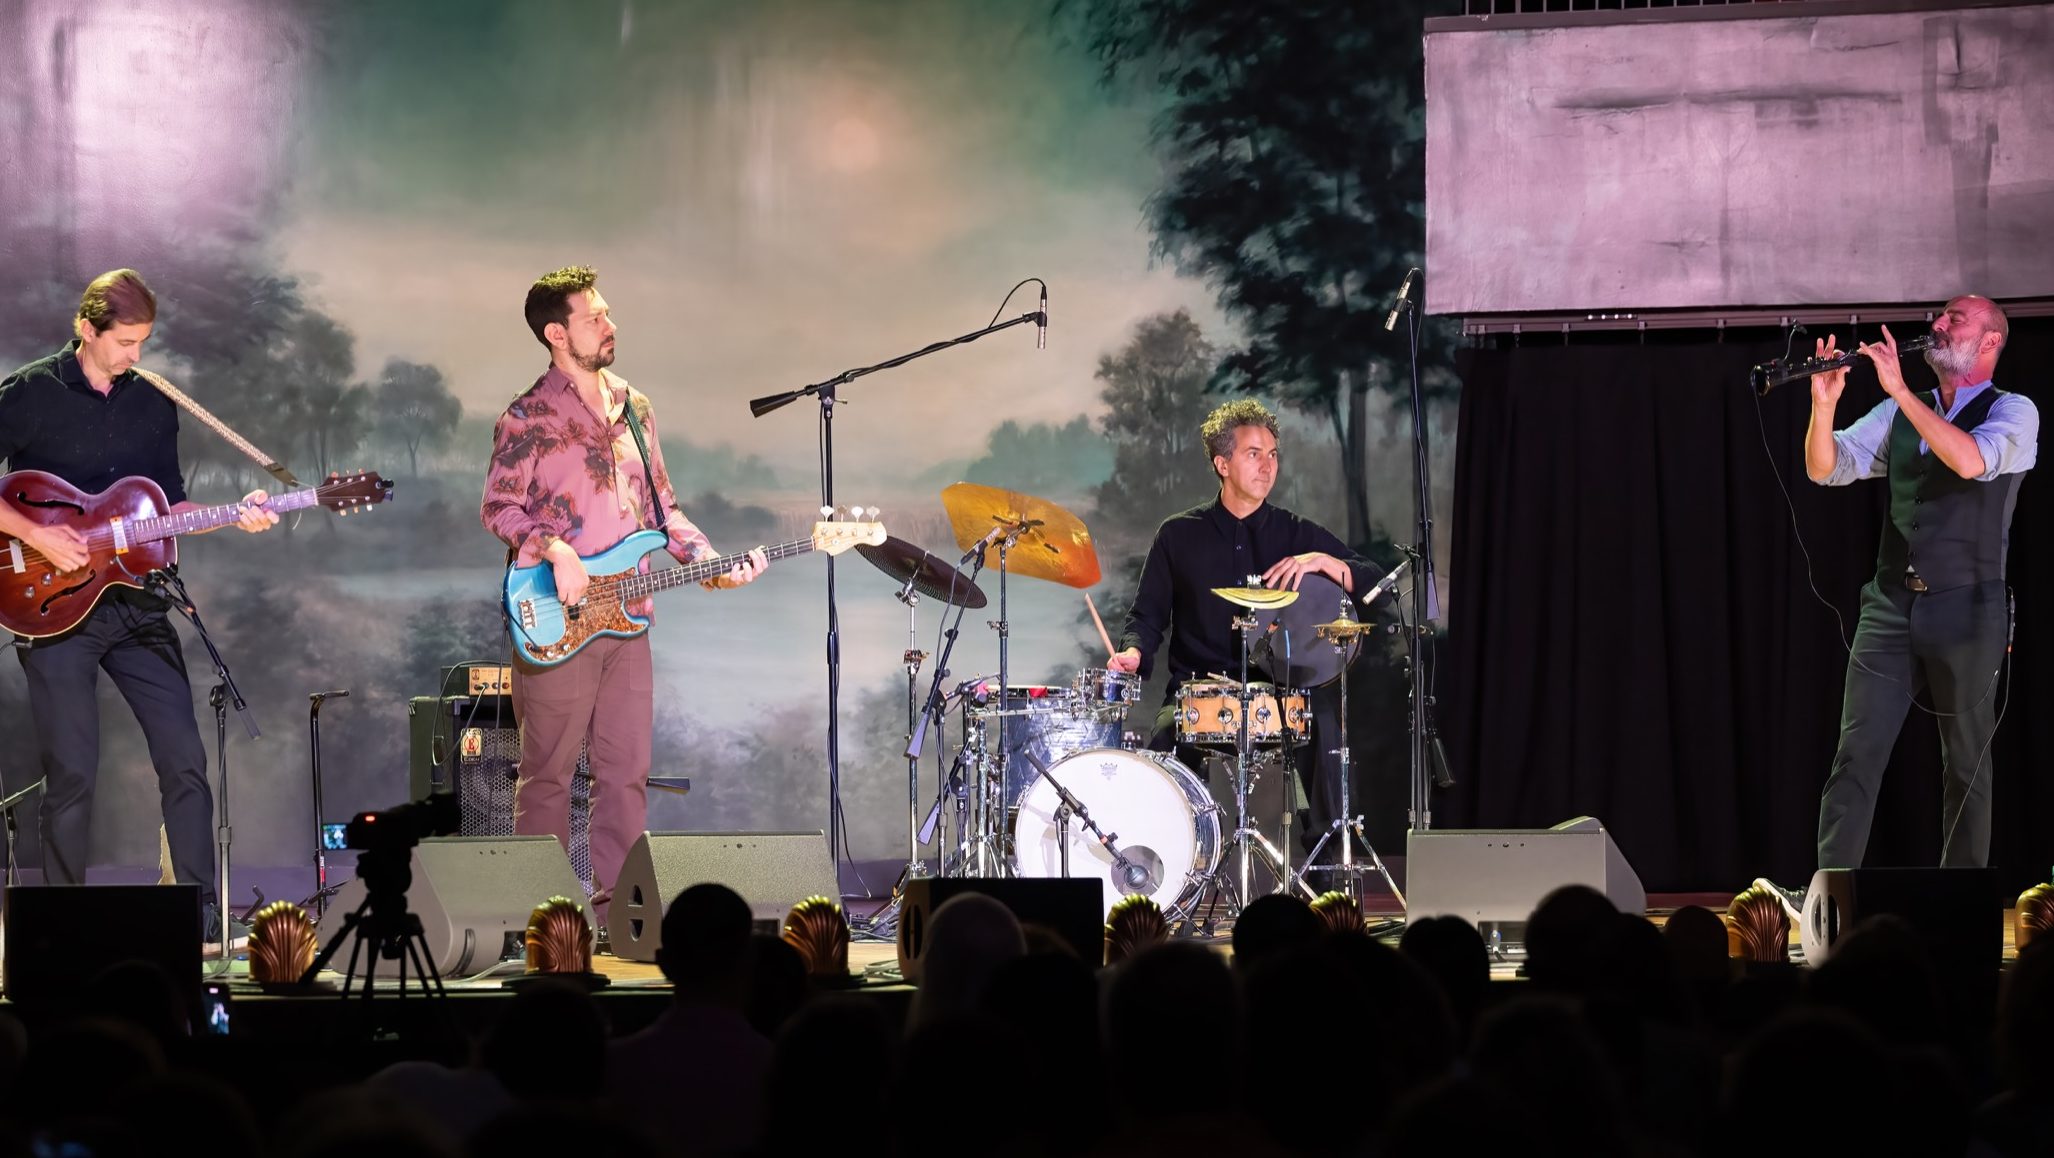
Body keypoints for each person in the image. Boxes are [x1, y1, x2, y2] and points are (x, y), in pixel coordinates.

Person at [481, 266, 766, 921]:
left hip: (631, 617)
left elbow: (663, 509)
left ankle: (619, 916)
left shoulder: (636, 406)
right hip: (558, 617)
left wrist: (711, 562)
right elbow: (498, 508)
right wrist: (554, 550)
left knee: (625, 775)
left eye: (607, 314)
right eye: (594, 317)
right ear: (557, 333)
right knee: (547, 777)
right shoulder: (527, 416)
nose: (610, 326)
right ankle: (545, 921)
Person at [0, 270, 277, 938]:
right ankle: (58, 929)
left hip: (135, 604)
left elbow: (170, 509)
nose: (134, 356)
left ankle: (201, 918)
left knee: (184, 760)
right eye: (123, 341)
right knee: (72, 774)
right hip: (50, 605)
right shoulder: (30, 392)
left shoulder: (153, 403)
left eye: (142, 342)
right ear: (86, 329)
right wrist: (37, 534)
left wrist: (233, 515)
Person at [1758, 295, 2037, 915]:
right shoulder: (1897, 412)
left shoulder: (2014, 411)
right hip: (1889, 606)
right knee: (1856, 754)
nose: (1937, 325)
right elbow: (1826, 469)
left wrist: (1903, 392)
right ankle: (1828, 900)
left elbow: (1971, 460)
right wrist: (1823, 406)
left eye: (1954, 320)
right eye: (1938, 316)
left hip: (1967, 609)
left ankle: (1959, 906)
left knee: (1966, 766)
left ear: (1989, 342)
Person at [1107, 398, 1376, 848]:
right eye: (1254, 454)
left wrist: (1324, 561)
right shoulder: (1178, 535)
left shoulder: (1296, 533)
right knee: (1164, 744)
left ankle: (1325, 876)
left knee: (1325, 727)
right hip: (1198, 694)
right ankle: (1167, 870)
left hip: (1281, 695)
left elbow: (1370, 581)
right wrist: (1134, 651)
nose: (1267, 466)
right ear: (1222, 463)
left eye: (1273, 454)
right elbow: (1146, 616)